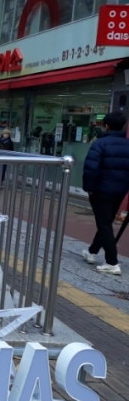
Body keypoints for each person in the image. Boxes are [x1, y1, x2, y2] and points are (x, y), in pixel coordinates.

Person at [81, 110, 129, 276]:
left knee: (104, 224)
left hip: (101, 190)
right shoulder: (127, 145)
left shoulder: (100, 144)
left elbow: (91, 169)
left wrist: (89, 188)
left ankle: (112, 262)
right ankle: (92, 252)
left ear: (106, 126)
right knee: (105, 221)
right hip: (120, 190)